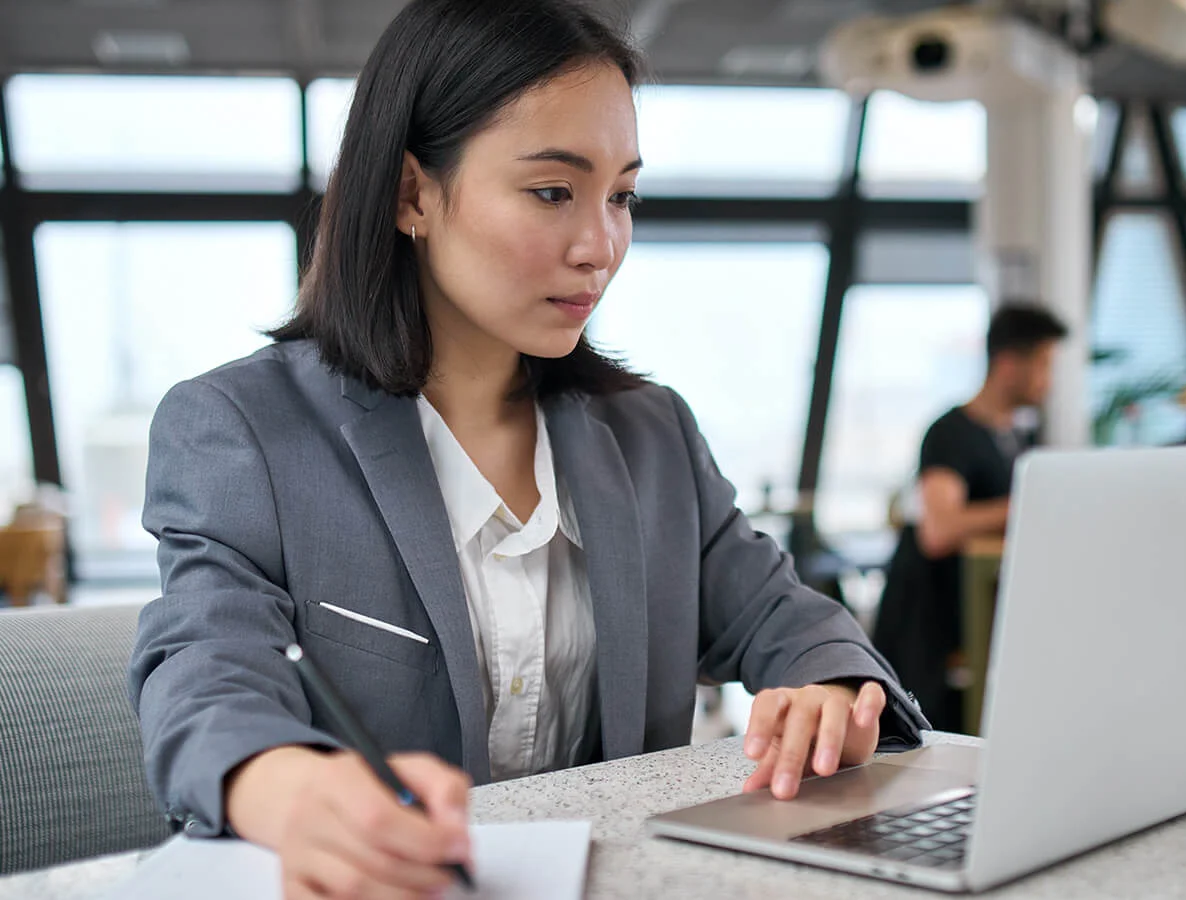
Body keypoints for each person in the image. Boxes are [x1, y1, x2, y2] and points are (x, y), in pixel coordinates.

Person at [126, 2, 928, 898]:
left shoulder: (651, 435)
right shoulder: (242, 427)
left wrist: (828, 692)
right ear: (411, 195)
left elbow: (790, 619)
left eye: (621, 196)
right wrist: (285, 786)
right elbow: (204, 666)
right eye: (553, 192)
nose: (601, 247)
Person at [870, 303, 1068, 733]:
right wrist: (1025, 504)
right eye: (1043, 365)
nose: (1049, 380)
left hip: (972, 619)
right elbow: (938, 530)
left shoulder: (1014, 437)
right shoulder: (951, 433)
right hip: (929, 626)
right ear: (1009, 364)